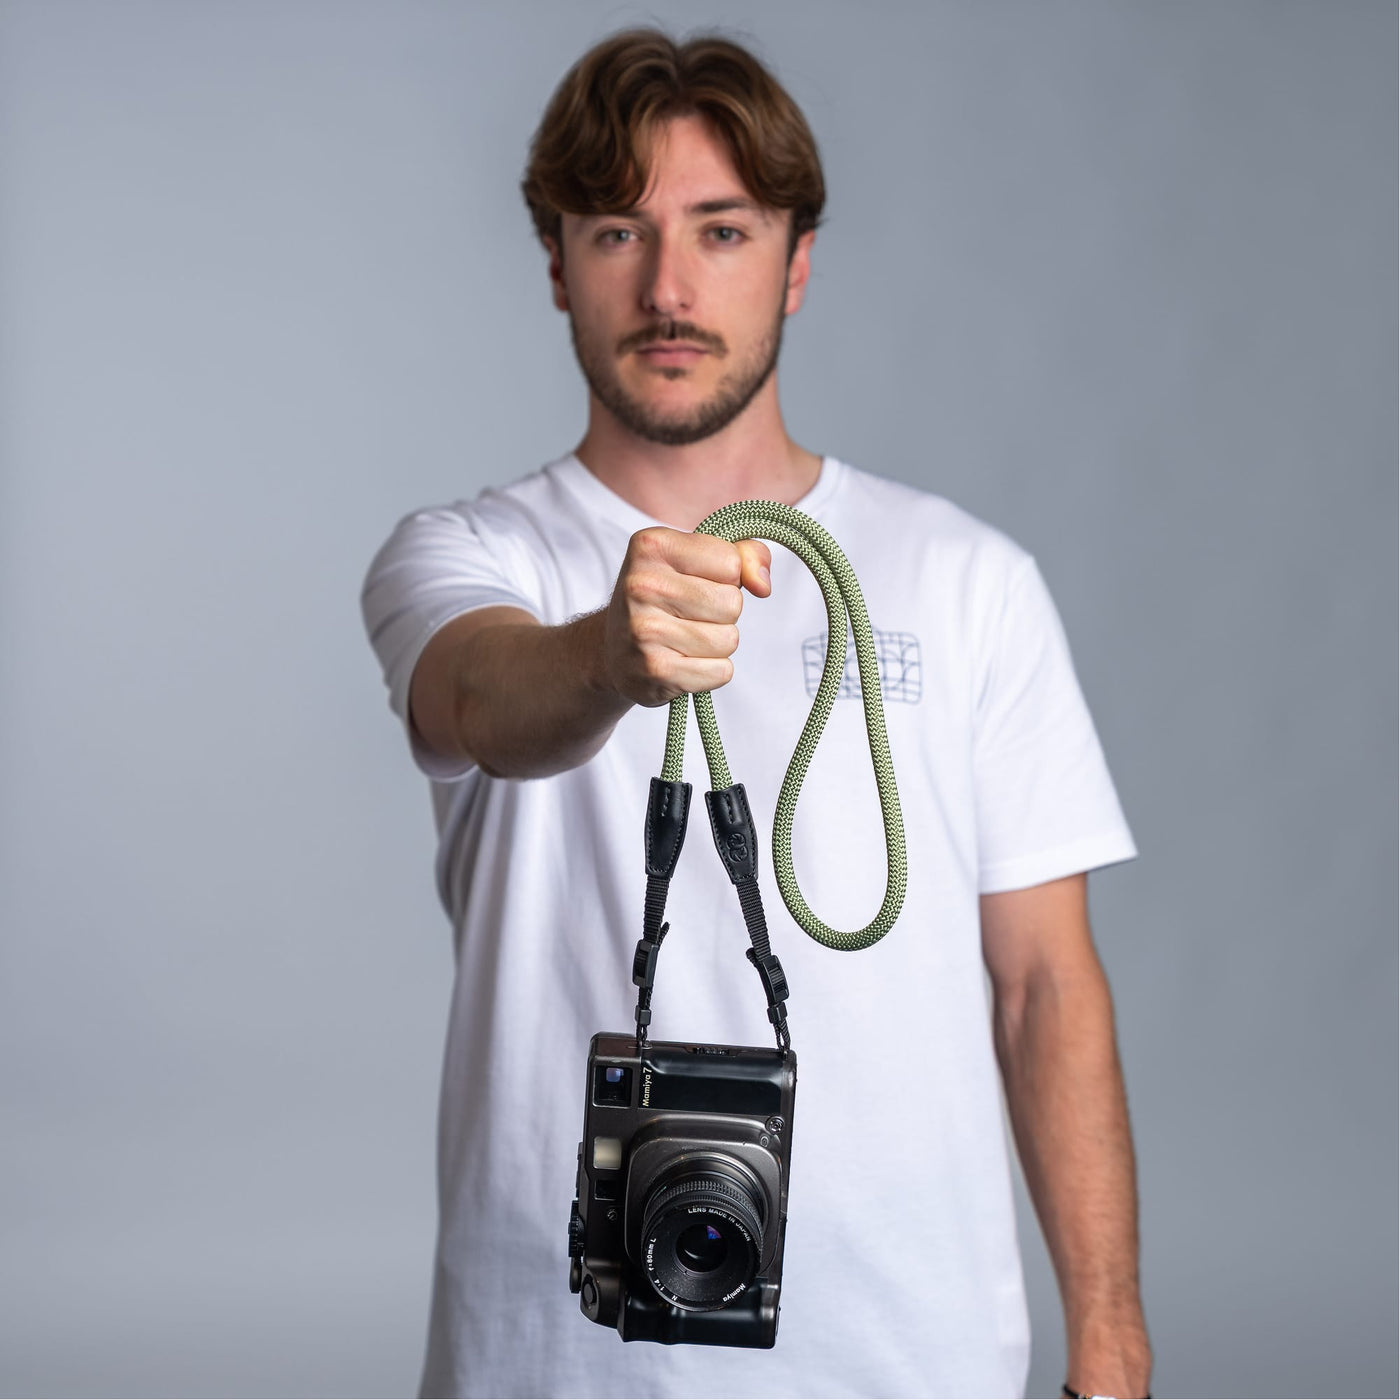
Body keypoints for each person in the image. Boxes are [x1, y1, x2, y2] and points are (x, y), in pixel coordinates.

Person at [362, 27, 1151, 1400]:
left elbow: (1043, 985)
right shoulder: (467, 559)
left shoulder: (969, 581)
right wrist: (613, 655)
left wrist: (1113, 1336)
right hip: (559, 1363)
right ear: (555, 263)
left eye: (720, 231)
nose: (669, 286)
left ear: (796, 260)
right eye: (618, 231)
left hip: (913, 1357)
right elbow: (484, 695)